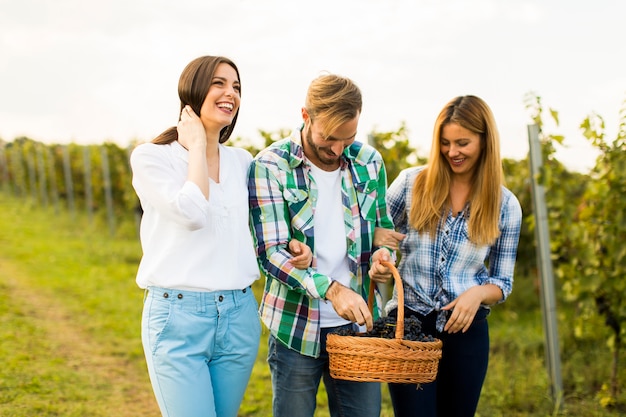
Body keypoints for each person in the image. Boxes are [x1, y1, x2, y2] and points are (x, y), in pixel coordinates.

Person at [129, 55, 311, 417]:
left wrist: (294, 245)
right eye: (219, 83)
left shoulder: (242, 161)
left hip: (238, 316)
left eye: (237, 87)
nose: (231, 93)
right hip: (176, 318)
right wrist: (198, 145)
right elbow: (193, 214)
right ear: (193, 90)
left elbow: (261, 225)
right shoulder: (152, 158)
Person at [247, 73, 398, 417]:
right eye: (328, 138)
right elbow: (271, 254)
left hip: (358, 332)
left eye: (348, 138)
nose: (337, 149)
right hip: (295, 327)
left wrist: (382, 259)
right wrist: (333, 290)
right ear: (306, 116)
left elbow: (383, 230)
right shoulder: (271, 167)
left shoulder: (369, 162)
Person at [379, 95, 522, 416]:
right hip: (410, 328)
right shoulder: (411, 184)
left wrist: (477, 294)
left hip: (466, 330)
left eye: (462, 143)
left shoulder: (505, 205)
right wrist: (382, 257)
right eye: (445, 143)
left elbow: (503, 281)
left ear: (485, 142)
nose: (452, 152)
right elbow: (381, 235)